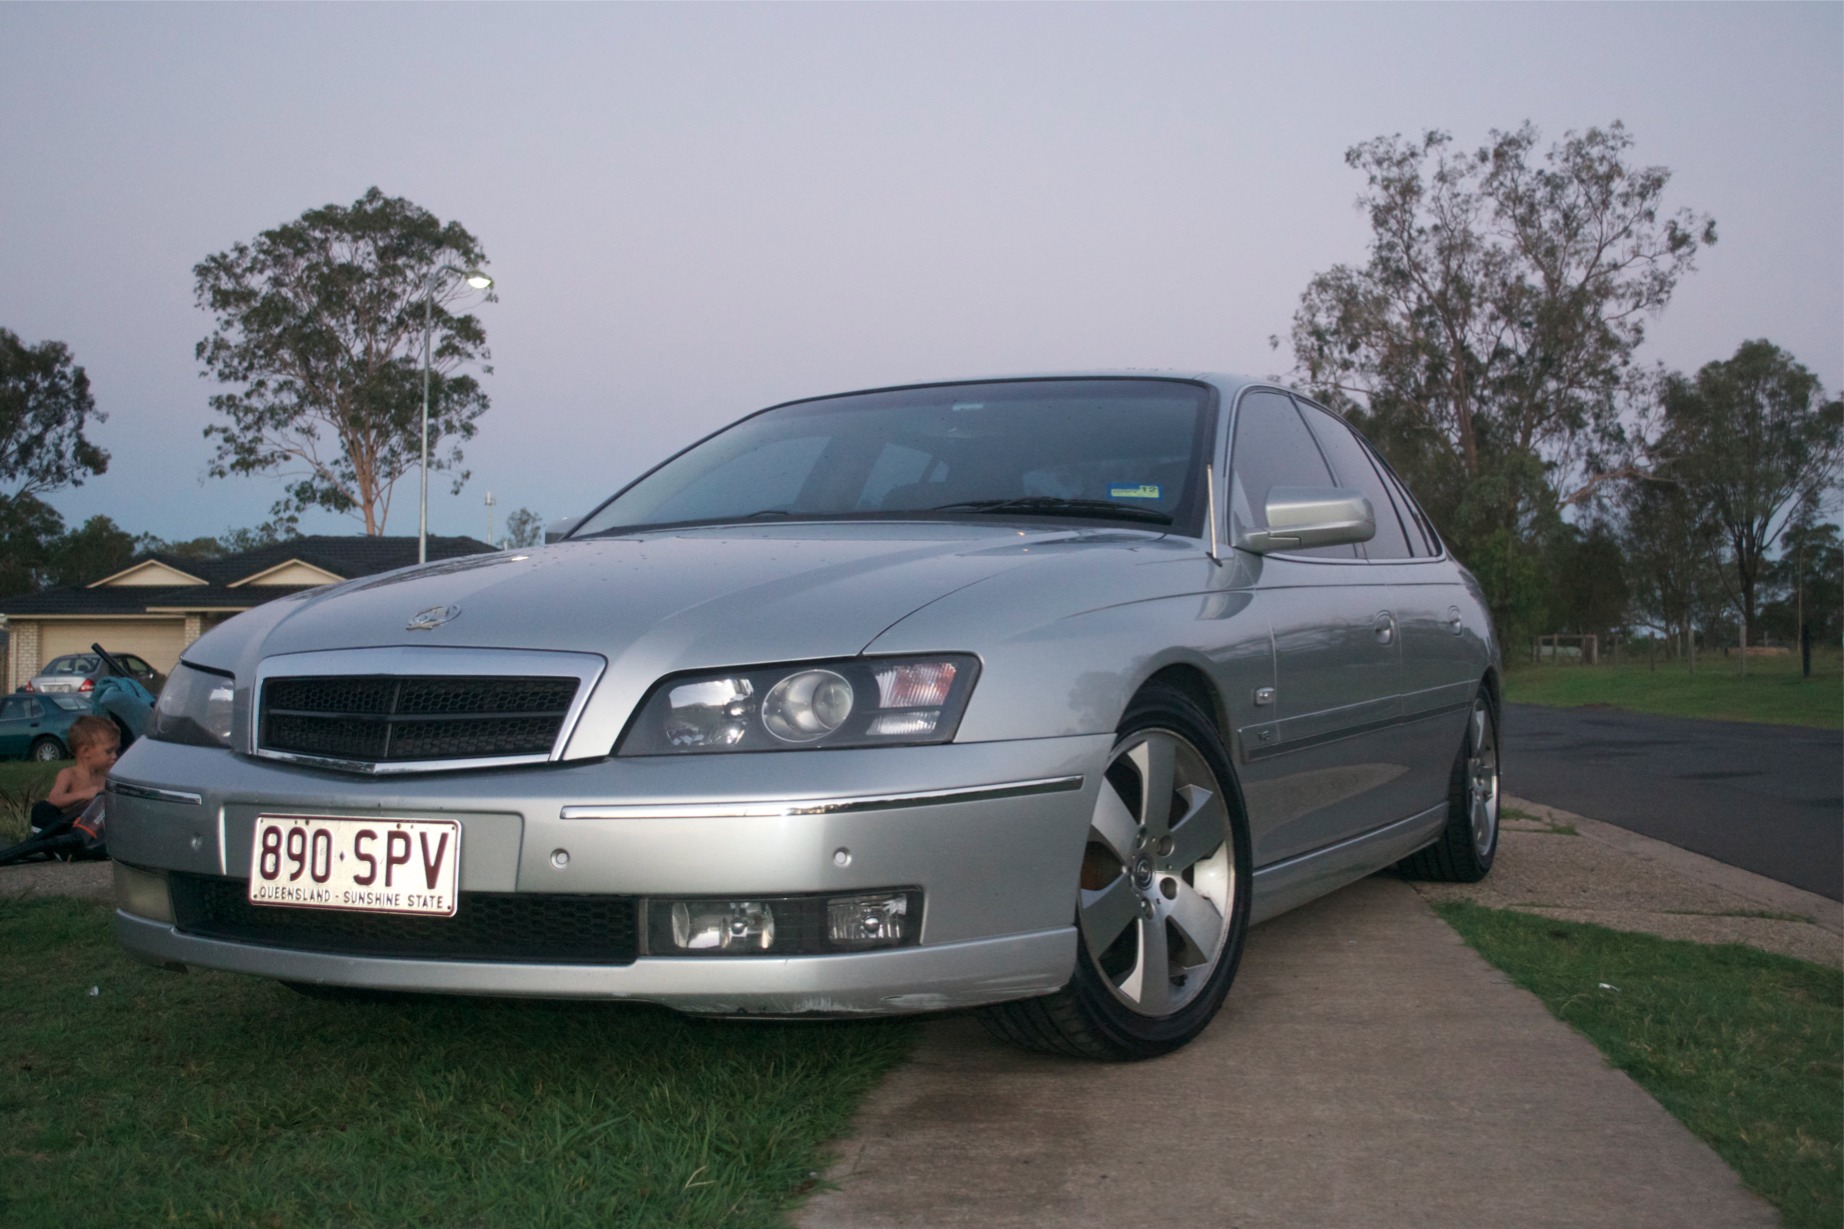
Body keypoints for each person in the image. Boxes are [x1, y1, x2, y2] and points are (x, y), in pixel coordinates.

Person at [31, 715, 120, 833]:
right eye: (109, 751)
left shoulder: (105, 778)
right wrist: (84, 794)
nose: (115, 756)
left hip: (95, 832)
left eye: (116, 751)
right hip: (71, 830)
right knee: (41, 808)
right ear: (86, 751)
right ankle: (57, 846)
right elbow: (54, 799)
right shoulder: (69, 774)